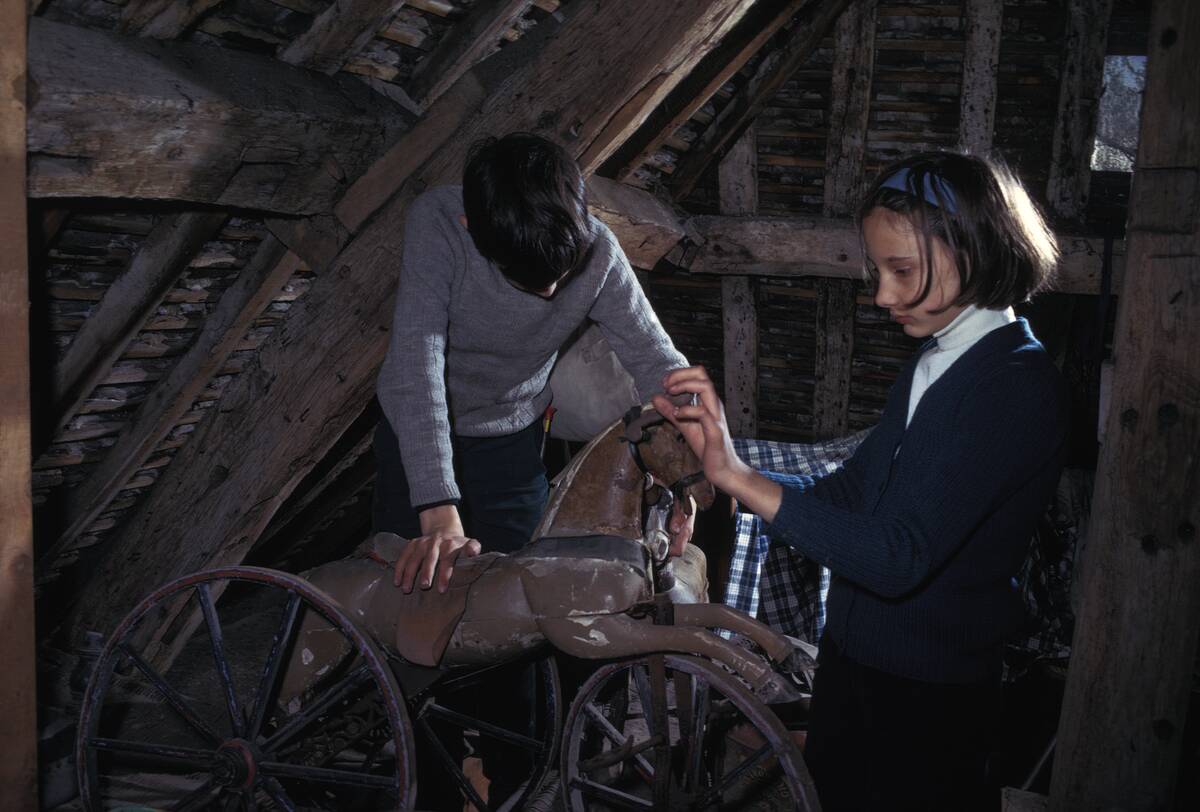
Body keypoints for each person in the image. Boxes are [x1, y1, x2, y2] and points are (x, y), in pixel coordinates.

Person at [653, 151, 1068, 811]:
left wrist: (738, 475)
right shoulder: (935, 360)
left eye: (903, 271)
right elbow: (851, 493)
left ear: (976, 250)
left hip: (928, 695)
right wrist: (726, 468)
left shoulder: (1014, 385)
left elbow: (898, 557)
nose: (883, 296)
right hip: (856, 662)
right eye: (879, 272)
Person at [375, 132, 691, 594]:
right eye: (527, 279)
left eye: (564, 273)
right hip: (415, 434)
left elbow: (660, 363)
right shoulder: (438, 223)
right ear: (470, 227)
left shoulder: (599, 251)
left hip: (512, 440)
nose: (551, 292)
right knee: (411, 592)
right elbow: (418, 367)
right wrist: (438, 508)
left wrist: (687, 474)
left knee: (523, 590)